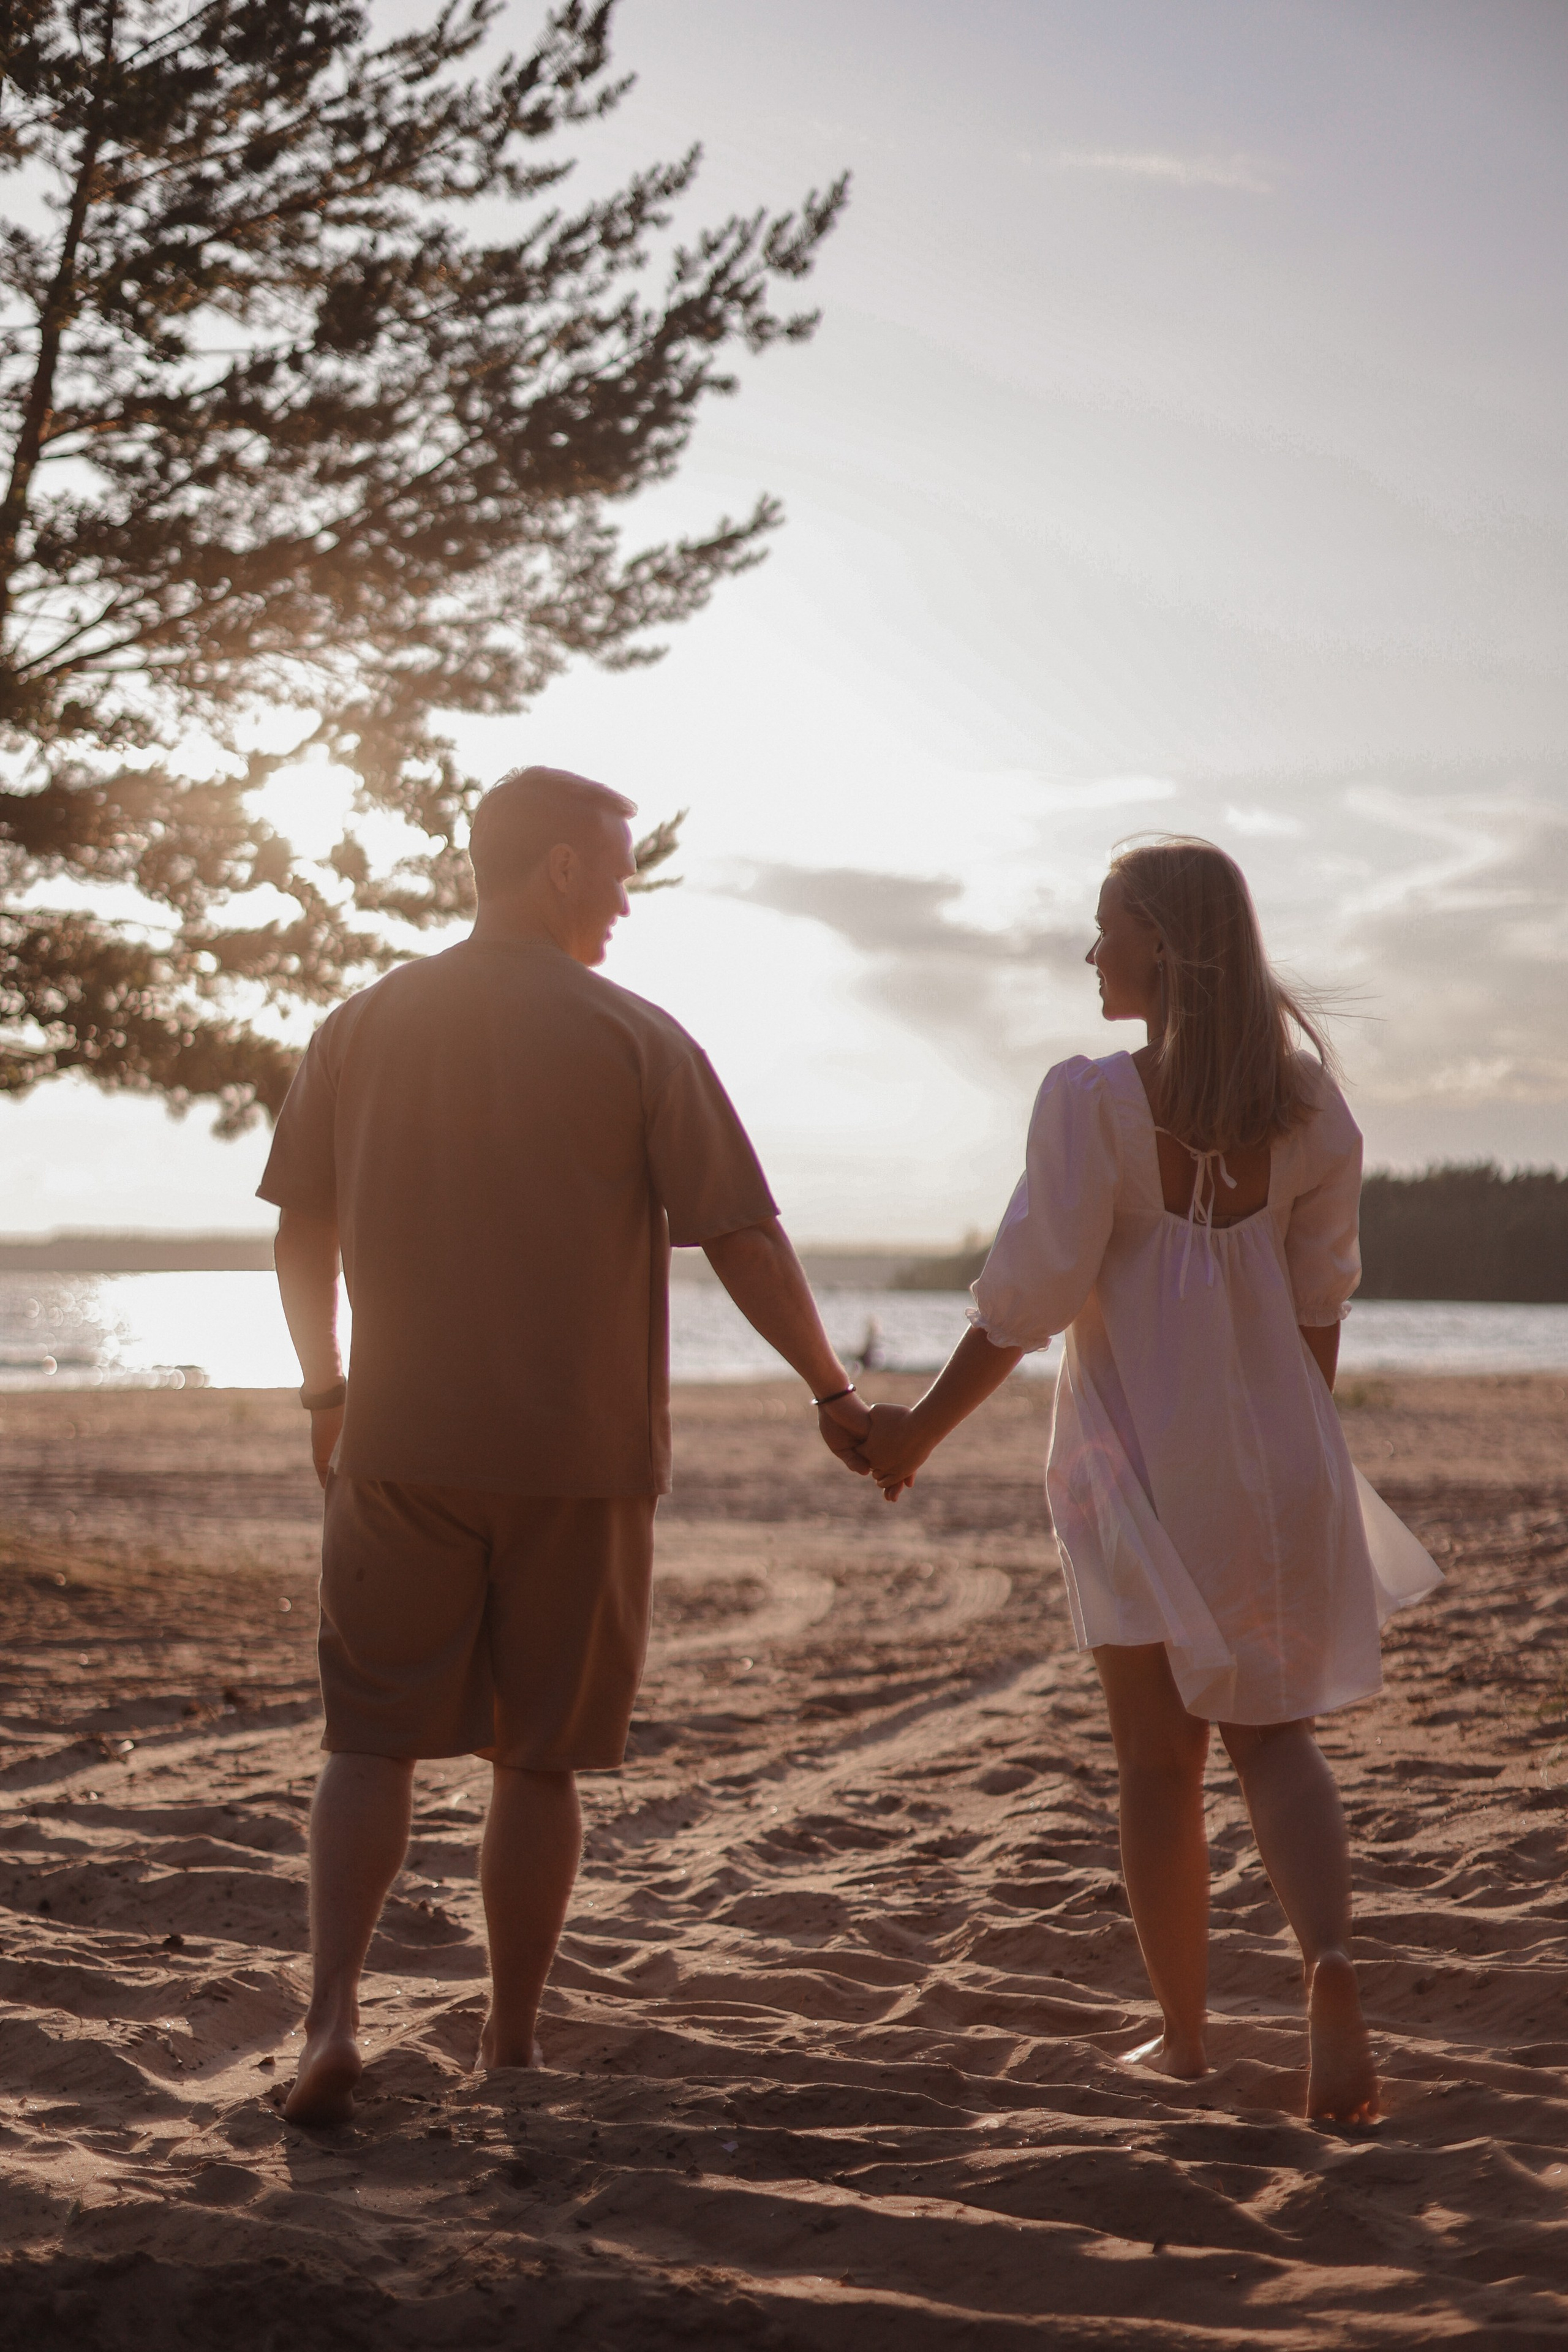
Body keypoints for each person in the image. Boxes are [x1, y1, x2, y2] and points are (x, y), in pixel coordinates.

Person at [261, 764, 872, 2126]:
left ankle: (327, 2017)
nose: (624, 901)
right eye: (613, 871)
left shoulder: (359, 1025)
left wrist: (324, 1394)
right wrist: (831, 1390)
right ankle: (511, 2040)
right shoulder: (634, 1038)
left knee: (368, 1742)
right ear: (552, 870)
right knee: (536, 1760)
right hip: (577, 1461)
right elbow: (741, 1237)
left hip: (398, 1444)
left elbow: (301, 1228)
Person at [862, 837, 1440, 2124]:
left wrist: (913, 1435)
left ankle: (1180, 2042)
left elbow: (1025, 1303)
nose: (1090, 951)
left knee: (1155, 1764)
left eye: (1103, 926)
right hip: (1278, 1459)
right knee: (1272, 1741)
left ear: (1160, 948)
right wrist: (1290, 1448)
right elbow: (1317, 1308)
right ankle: (1327, 1970)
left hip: (1133, 1466)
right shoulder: (1309, 1113)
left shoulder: (1091, 1104)